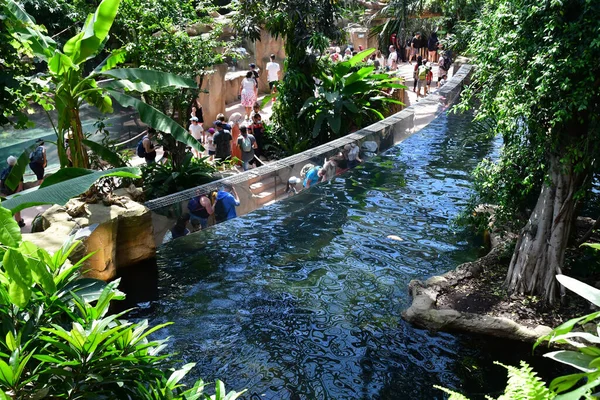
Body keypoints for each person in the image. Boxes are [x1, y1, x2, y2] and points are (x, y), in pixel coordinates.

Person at [0, 156, 25, 227]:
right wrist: (16, 192)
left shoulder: (4, 171)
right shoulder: (18, 171)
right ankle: (19, 221)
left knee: (7, 207)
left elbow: (1, 182)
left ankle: (9, 223)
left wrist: (2, 192)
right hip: (14, 192)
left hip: (5, 192)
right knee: (16, 207)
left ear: (8, 162)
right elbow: (20, 185)